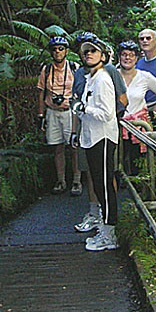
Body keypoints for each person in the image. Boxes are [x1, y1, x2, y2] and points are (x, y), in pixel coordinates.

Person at [71, 32, 127, 234]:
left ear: (103, 55)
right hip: (90, 136)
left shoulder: (104, 77)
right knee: (96, 181)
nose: (88, 54)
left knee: (105, 184)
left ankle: (110, 231)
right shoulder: (89, 77)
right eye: (85, 51)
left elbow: (106, 112)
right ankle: (103, 224)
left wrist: (83, 108)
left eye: (93, 51)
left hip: (103, 137)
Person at [37, 35, 82, 194]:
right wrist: (41, 115)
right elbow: (41, 93)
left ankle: (77, 180)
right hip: (52, 112)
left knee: (74, 146)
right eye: (55, 49)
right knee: (57, 147)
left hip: (69, 111)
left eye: (61, 49)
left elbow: (79, 91)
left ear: (66, 51)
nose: (58, 52)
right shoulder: (46, 70)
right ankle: (61, 180)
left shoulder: (74, 67)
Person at [117, 40, 156, 174]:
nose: (127, 58)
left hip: (138, 125)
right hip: (117, 124)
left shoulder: (144, 76)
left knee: (136, 161)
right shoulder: (112, 76)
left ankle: (138, 188)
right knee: (117, 160)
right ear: (119, 57)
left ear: (136, 58)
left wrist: (154, 113)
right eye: (124, 54)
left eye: (131, 55)